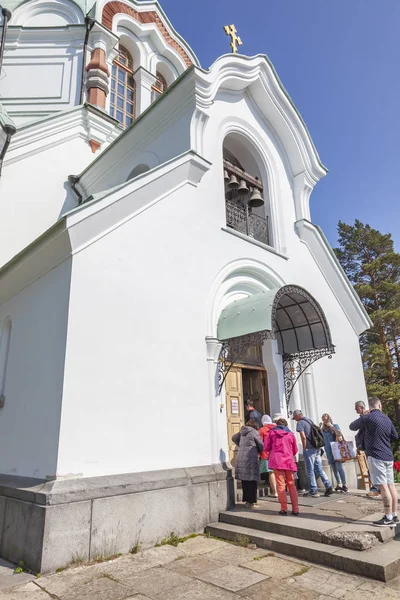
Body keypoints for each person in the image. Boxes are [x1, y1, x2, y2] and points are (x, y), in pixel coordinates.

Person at [350, 397, 398, 526]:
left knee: (382, 486)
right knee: (391, 485)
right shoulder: (386, 419)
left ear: (370, 407)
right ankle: (394, 515)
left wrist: (364, 416)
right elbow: (395, 436)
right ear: (380, 406)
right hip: (388, 455)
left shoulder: (368, 417)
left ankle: (388, 517)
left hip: (376, 456)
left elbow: (352, 426)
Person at [293, 409, 333, 498]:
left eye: (295, 417)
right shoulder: (309, 420)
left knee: (310, 470)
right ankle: (328, 485)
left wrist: (304, 447)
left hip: (309, 449)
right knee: (319, 468)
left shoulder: (300, 423)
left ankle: (313, 490)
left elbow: (303, 436)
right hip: (317, 448)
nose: (295, 419)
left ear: (298, 416)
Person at [265, 417, 299, 515]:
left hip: (277, 462)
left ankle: (284, 508)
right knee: (291, 485)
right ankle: (295, 509)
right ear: (286, 425)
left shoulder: (271, 433)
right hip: (288, 461)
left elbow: (266, 447)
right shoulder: (291, 434)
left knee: (280, 485)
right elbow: (295, 449)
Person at [232, 419, 264, 508]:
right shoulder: (254, 432)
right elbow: (260, 444)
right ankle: (252, 502)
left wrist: (241, 446)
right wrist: (260, 450)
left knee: (245, 481)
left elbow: (233, 438)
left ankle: (246, 501)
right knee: (252, 481)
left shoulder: (242, 432)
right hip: (251, 458)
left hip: (242, 458)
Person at [354, 400, 381, 498]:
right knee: (372, 467)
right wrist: (359, 446)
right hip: (367, 446)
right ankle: (378, 488)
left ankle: (375, 488)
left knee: (373, 468)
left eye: (356, 408)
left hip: (372, 446)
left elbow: (356, 428)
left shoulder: (367, 416)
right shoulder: (364, 417)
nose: (355, 409)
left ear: (361, 408)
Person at [320, 413, 348, 493]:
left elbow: (339, 434)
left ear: (329, 419)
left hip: (336, 450)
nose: (325, 421)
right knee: (334, 468)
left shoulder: (335, 426)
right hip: (328, 451)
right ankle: (338, 484)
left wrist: (331, 426)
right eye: (323, 420)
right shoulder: (323, 429)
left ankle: (344, 484)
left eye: (326, 419)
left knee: (339, 467)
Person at [259, 415, 278, 497]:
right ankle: (281, 491)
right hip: (278, 453)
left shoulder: (262, 430)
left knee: (271, 473)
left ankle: (275, 492)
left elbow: (259, 443)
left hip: (267, 454)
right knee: (278, 472)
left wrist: (259, 454)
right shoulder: (277, 428)